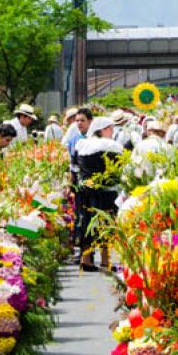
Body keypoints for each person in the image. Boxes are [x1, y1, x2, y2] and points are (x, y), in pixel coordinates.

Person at [74, 115, 123, 272]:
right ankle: (105, 259)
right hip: (104, 190)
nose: (112, 132)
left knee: (86, 221)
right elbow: (117, 168)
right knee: (105, 222)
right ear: (103, 130)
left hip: (85, 188)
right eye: (111, 129)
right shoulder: (110, 146)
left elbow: (75, 168)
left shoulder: (81, 145)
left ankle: (86, 259)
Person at [66, 107, 93, 256]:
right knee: (79, 215)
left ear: (90, 121)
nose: (79, 123)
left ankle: (89, 250)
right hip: (78, 184)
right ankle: (82, 250)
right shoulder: (73, 140)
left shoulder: (93, 138)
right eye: (77, 121)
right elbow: (71, 164)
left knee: (89, 216)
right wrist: (70, 184)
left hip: (91, 183)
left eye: (82, 120)